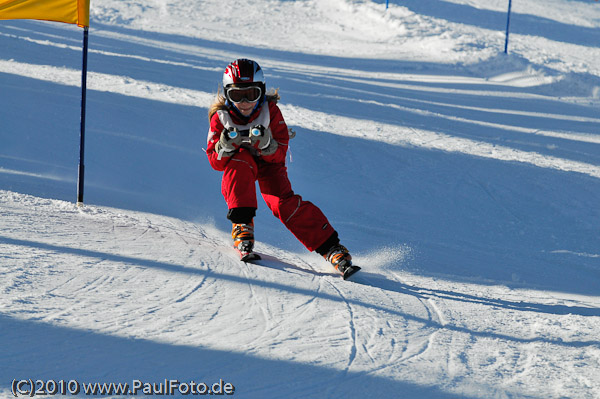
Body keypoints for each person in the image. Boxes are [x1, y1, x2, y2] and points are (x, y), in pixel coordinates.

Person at [205, 58, 354, 276]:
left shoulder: (270, 111)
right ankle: (242, 225)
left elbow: (280, 154)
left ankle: (331, 247)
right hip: (241, 161)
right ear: (227, 95)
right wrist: (223, 147)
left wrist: (268, 144)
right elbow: (215, 163)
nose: (245, 102)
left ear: (261, 92)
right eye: (237, 95)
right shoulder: (221, 117)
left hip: (269, 166)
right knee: (238, 164)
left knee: (282, 204)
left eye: (252, 94)